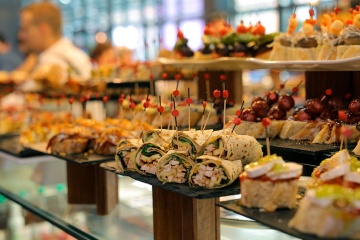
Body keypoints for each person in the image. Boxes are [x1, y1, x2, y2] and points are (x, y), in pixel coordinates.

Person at [18, 2, 92, 89]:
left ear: (43, 29)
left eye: (25, 29)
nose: (21, 35)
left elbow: (24, 97)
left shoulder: (51, 63)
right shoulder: (77, 54)